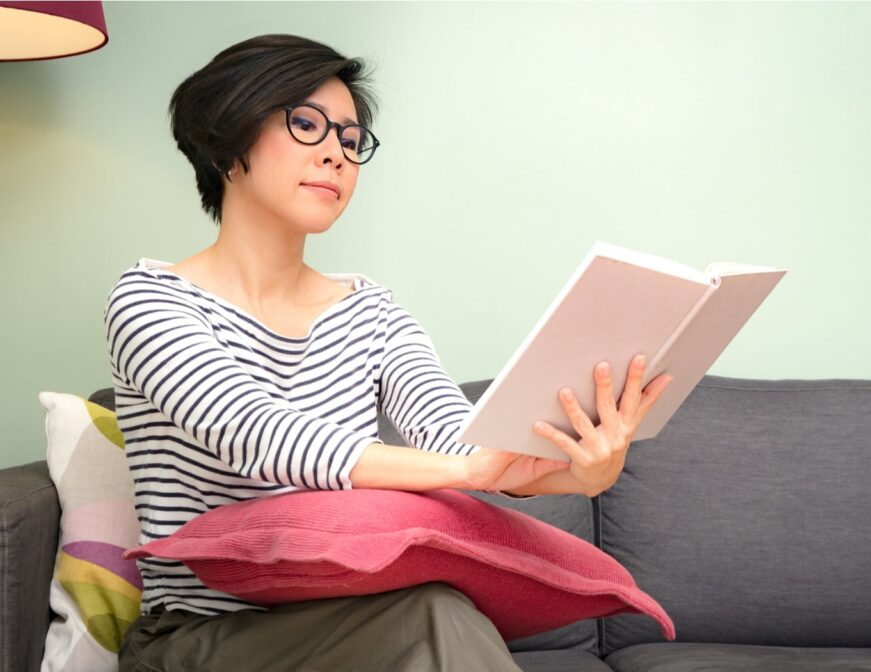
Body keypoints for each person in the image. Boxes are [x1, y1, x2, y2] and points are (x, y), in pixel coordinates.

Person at [104, 33, 673, 672]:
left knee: (436, 610)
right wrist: (473, 473)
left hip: (356, 618)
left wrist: (583, 472)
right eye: (306, 124)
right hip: (199, 639)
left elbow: (456, 439)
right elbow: (258, 438)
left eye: (350, 139)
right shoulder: (151, 299)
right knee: (434, 616)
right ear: (229, 136)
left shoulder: (369, 310)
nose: (336, 155)